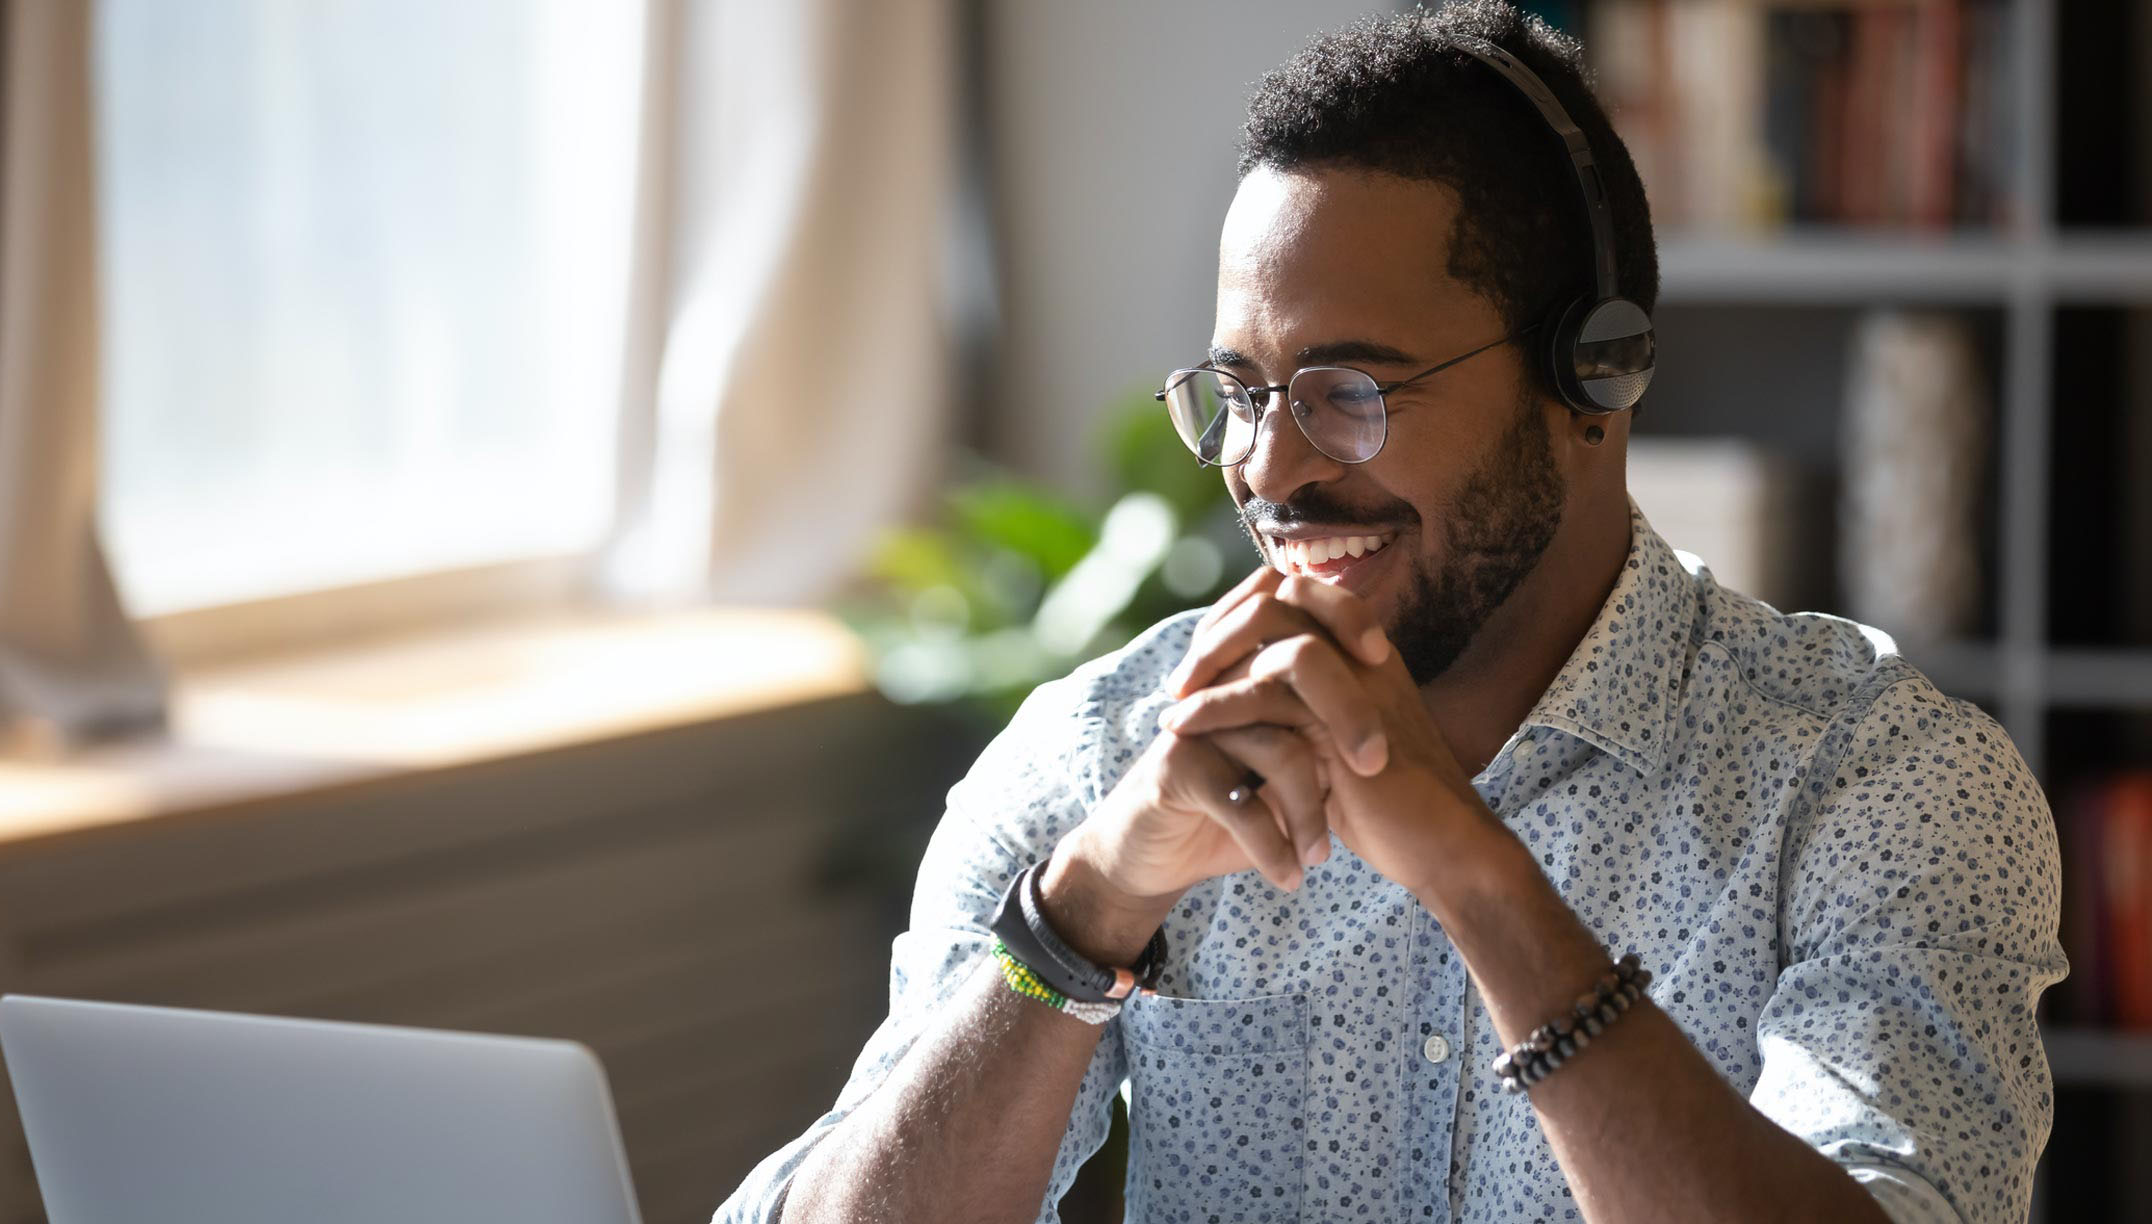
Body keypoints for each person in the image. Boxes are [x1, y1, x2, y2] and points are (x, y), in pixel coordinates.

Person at [717, 4, 2066, 1221]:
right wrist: (1083, 914)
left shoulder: (1885, 790)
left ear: (1596, 376)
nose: (1271, 467)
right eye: (1242, 392)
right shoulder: (1102, 757)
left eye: (1351, 392)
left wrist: (1479, 881)